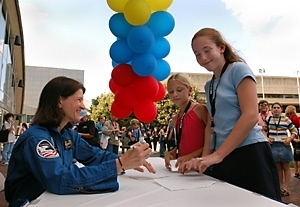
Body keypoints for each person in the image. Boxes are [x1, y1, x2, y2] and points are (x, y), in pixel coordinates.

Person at [4, 76, 155, 207]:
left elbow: (95, 156)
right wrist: (119, 164)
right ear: (59, 101)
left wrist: (130, 158)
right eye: (79, 100)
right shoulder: (37, 139)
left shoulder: (68, 134)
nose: (83, 106)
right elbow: (60, 179)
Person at [179, 28, 281, 201]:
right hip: (224, 155)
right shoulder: (209, 85)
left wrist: (217, 155)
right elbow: (211, 127)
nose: (202, 58)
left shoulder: (238, 70)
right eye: (197, 54)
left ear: (221, 47)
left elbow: (249, 115)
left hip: (249, 151)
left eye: (207, 50)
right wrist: (204, 159)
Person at [165, 73, 208, 170]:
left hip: (202, 167)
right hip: (186, 168)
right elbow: (184, 143)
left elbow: (212, 142)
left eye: (179, 90)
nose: (175, 94)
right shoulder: (176, 117)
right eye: (171, 92)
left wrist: (190, 156)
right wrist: (172, 153)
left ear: (190, 90)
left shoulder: (200, 110)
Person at [263, 102, 297, 197]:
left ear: (281, 109)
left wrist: (290, 139)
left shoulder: (286, 119)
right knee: (277, 167)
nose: (276, 109)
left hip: (284, 145)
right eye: (274, 107)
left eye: (278, 107)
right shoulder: (269, 119)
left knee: (286, 167)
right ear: (272, 109)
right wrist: (266, 138)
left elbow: (294, 130)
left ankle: (286, 188)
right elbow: (263, 129)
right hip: (273, 145)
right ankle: (280, 187)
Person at [285, 105, 300, 179]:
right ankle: (299, 171)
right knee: (299, 154)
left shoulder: (287, 119)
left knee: (296, 154)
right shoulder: (295, 118)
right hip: (297, 137)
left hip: (292, 137)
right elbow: (298, 126)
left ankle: (296, 171)